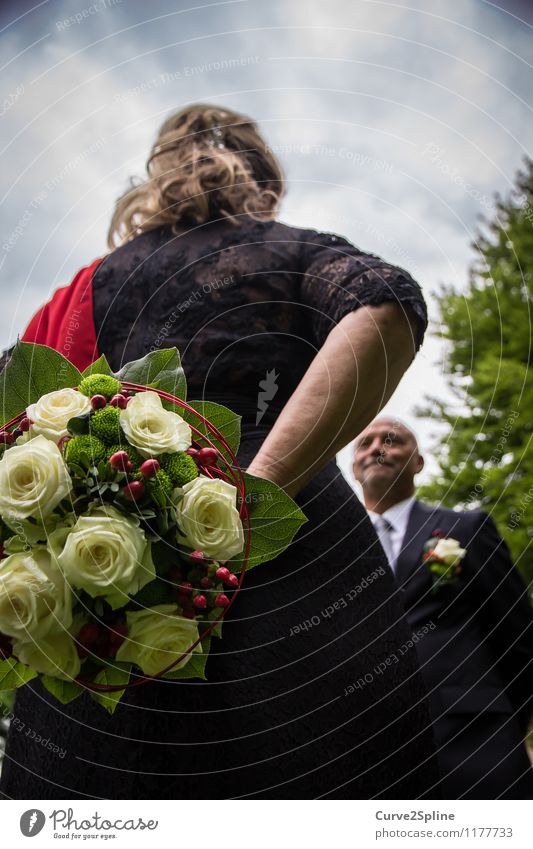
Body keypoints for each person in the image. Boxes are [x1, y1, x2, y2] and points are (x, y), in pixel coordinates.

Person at [0, 104, 438, 800]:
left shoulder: (79, 290)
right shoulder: (296, 249)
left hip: (100, 589)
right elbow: (382, 308)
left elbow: (16, 420)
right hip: (300, 565)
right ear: (262, 181)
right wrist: (247, 498)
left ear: (159, 176)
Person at [353, 416, 533, 799]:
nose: (375, 449)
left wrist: (502, 719)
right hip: (365, 752)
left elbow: (517, 635)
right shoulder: (336, 551)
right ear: (354, 467)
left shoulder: (466, 528)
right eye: (364, 443)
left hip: (475, 740)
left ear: (418, 461)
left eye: (391, 440)